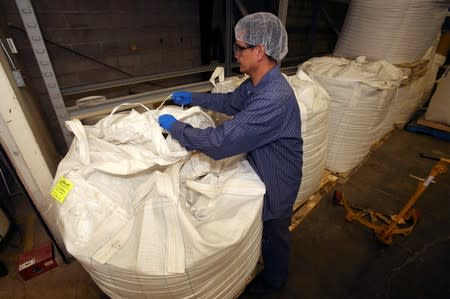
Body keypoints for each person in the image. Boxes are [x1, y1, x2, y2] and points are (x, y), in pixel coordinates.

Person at [158, 12, 303, 295]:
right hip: (262, 163)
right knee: (262, 227)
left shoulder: (273, 97)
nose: (235, 54)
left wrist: (177, 128)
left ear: (260, 51)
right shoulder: (256, 84)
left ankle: (274, 284)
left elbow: (220, 143)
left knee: (275, 233)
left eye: (240, 47)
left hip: (278, 178)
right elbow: (230, 101)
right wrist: (194, 98)